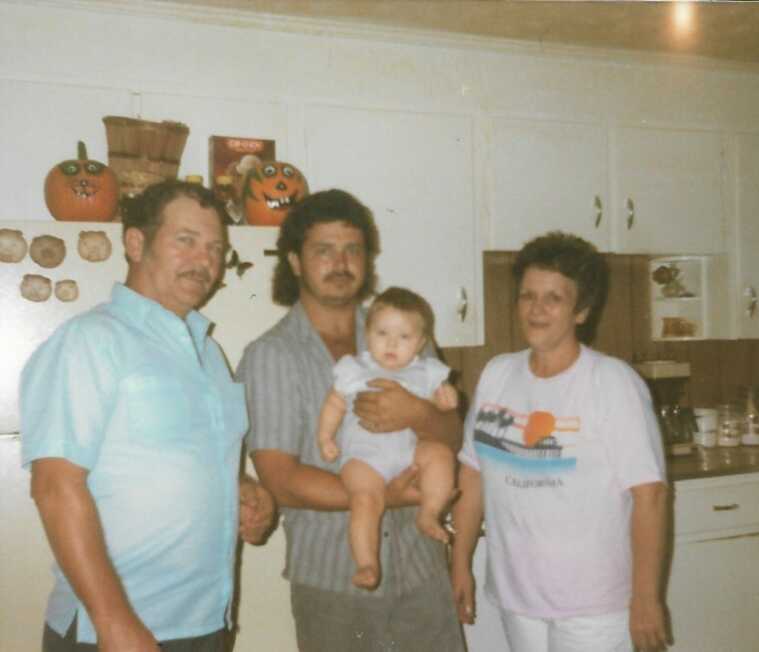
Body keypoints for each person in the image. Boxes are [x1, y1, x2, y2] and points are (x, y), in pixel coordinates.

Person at [19, 180, 276, 652]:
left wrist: (242, 491)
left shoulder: (210, 354)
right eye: (186, 241)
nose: (205, 261)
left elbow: (185, 460)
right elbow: (55, 487)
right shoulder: (91, 341)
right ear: (136, 244)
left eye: (215, 248)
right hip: (117, 630)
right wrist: (115, 623)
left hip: (206, 622)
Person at [237, 189, 466, 651]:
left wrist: (419, 412)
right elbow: (281, 480)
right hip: (335, 583)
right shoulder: (271, 356)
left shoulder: (406, 332)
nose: (340, 262)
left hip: (422, 570)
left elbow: (453, 433)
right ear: (296, 262)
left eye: (352, 249)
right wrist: (386, 496)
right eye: (324, 250)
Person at [450, 231, 669, 652]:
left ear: (581, 311)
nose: (536, 309)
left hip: (594, 605)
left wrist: (645, 598)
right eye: (528, 295)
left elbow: (650, 496)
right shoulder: (497, 374)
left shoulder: (611, 381)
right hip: (518, 596)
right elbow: (473, 473)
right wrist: (460, 563)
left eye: (554, 298)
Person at [317, 286, 458, 590]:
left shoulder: (425, 371)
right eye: (382, 333)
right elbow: (335, 403)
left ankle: (430, 513)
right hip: (365, 457)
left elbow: (442, 409)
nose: (392, 343)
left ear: (420, 343)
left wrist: (447, 399)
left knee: (439, 455)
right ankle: (367, 562)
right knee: (364, 500)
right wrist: (325, 436)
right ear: (367, 334)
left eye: (404, 337)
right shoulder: (355, 369)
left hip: (410, 454)